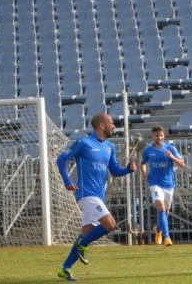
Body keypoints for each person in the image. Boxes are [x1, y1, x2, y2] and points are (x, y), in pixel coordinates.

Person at [56, 113, 137, 281]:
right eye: (111, 123)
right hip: (86, 194)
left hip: (98, 196)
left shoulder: (109, 147)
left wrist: (128, 169)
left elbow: (115, 171)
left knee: (87, 233)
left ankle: (65, 268)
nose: (114, 126)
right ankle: (81, 246)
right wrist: (67, 181)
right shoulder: (83, 143)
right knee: (110, 224)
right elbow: (61, 160)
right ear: (101, 125)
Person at [140, 126, 186, 247]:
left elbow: (182, 164)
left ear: (163, 136)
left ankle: (158, 229)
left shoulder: (170, 148)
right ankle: (167, 237)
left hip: (168, 184)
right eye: (156, 135)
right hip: (154, 183)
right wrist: (144, 173)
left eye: (161, 135)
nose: (159, 137)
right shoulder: (148, 150)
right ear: (152, 136)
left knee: (165, 211)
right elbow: (143, 163)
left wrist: (172, 157)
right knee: (160, 207)